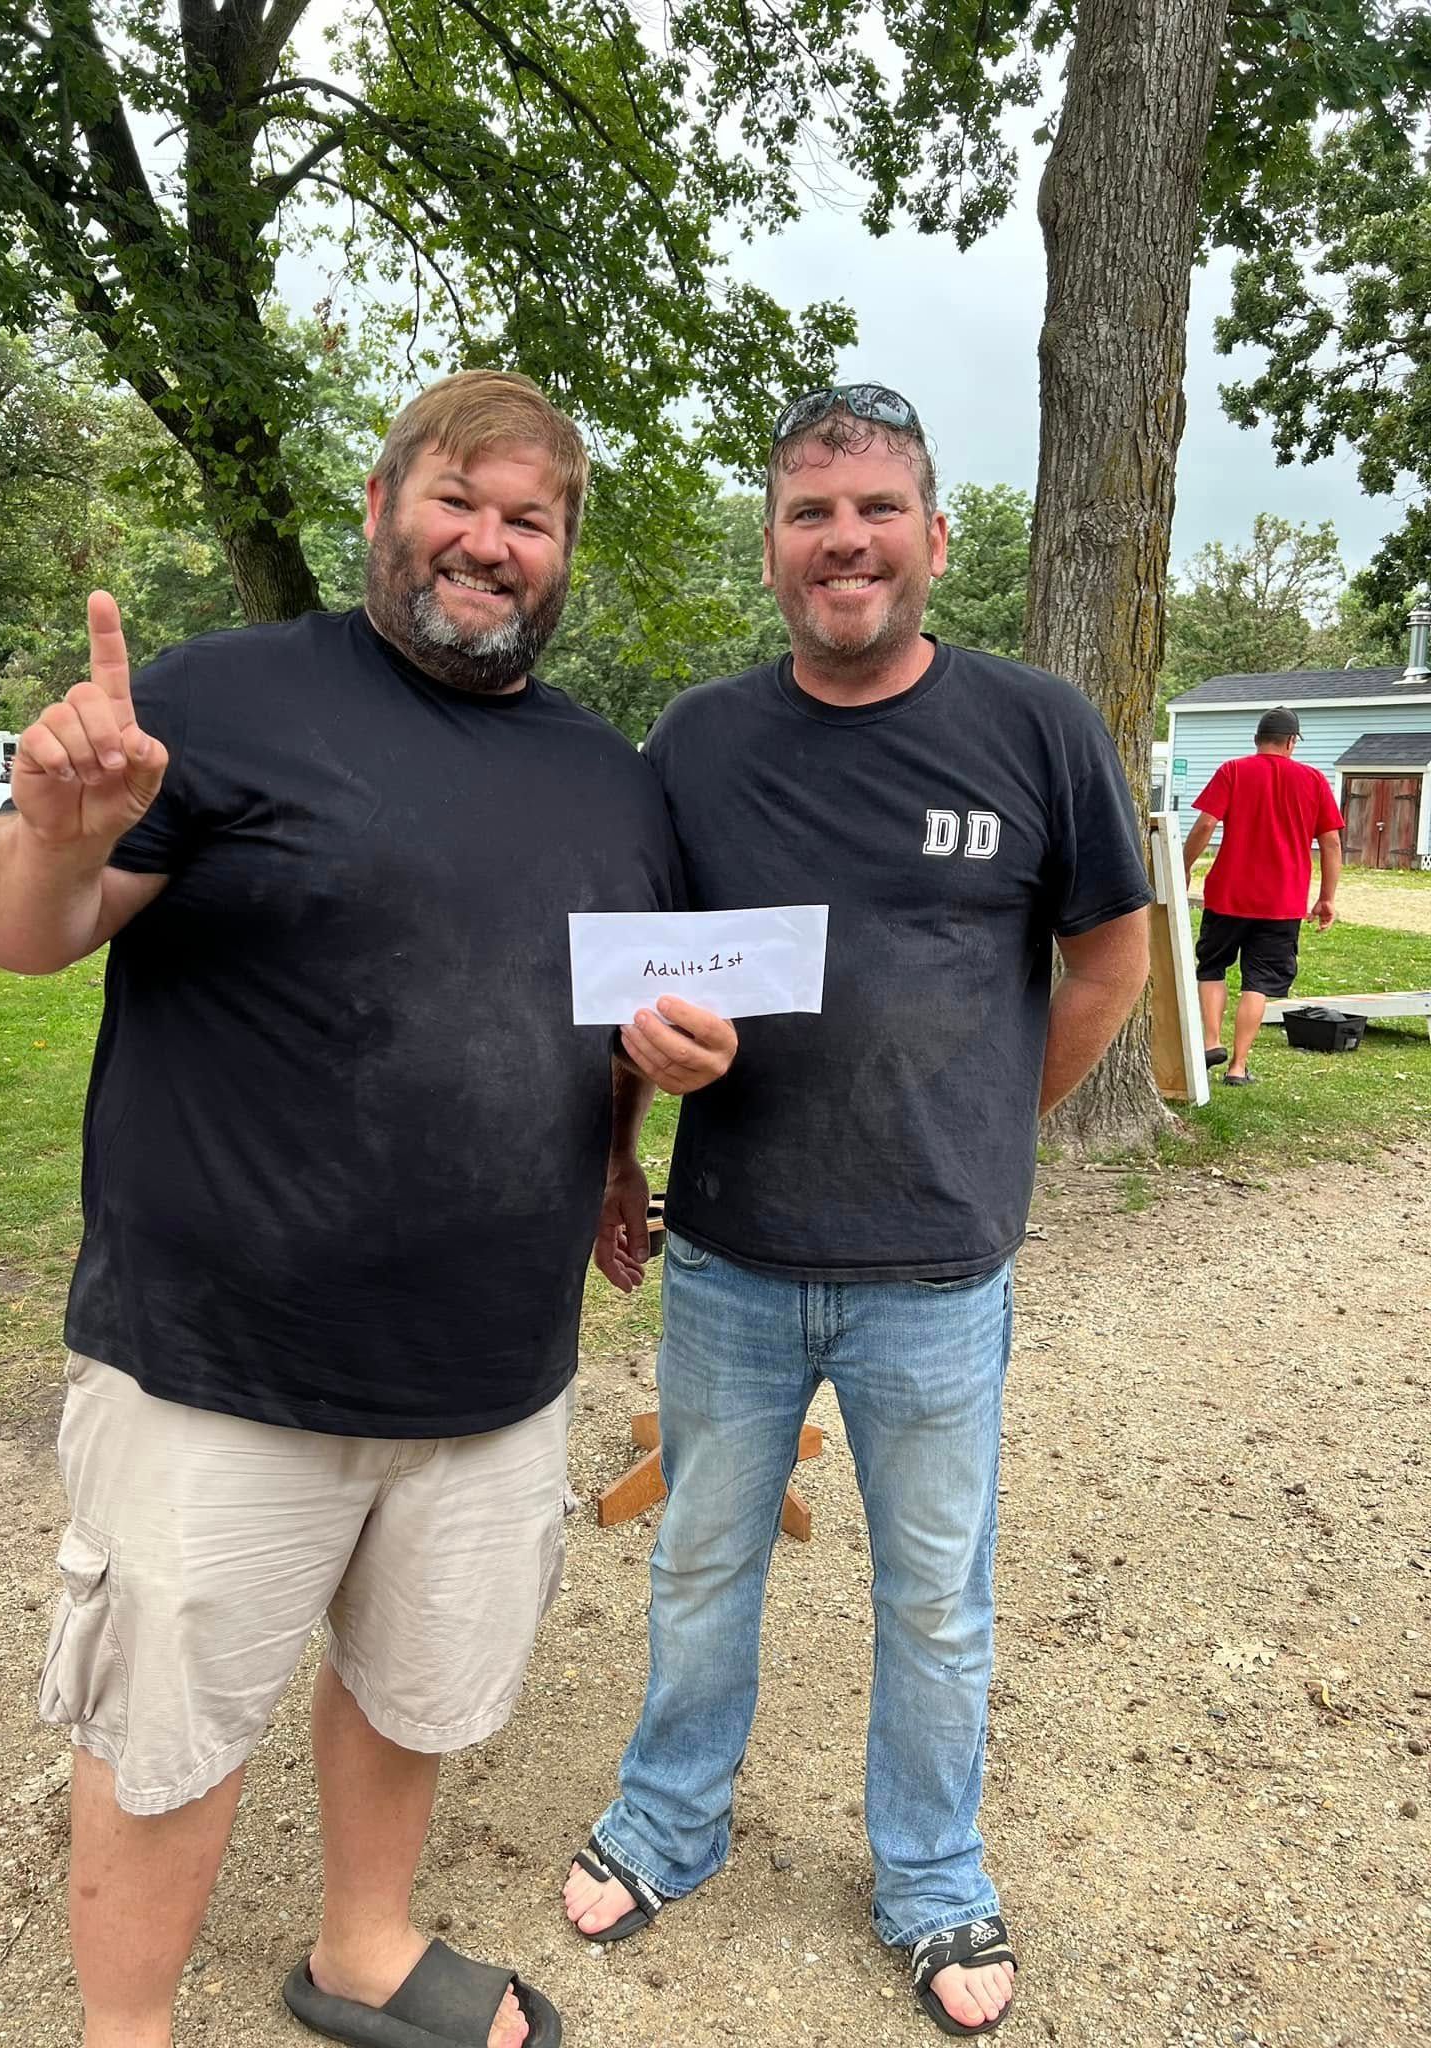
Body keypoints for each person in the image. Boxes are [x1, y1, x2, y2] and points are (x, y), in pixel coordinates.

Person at [0, 369, 738, 2048]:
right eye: (458, 497)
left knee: (413, 1684)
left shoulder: (611, 778)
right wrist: (53, 833)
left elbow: (605, 1017)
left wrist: (629, 1121)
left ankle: (365, 1947)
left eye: (529, 518)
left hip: (487, 1364)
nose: (488, 540)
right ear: (379, 504)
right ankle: (127, 2030)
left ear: (561, 554)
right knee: (165, 1722)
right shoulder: (222, 699)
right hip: (217, 1357)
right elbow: (18, 929)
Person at [561, 382, 1152, 2038]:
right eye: (812, 512)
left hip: (937, 1279)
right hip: (736, 1253)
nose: (846, 539)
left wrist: (996, 1119)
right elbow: (638, 980)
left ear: (934, 535)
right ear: (773, 549)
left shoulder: (1036, 727)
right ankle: (669, 1812)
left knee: (937, 1592)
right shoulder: (699, 740)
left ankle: (932, 1868)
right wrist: (619, 1142)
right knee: (694, 1560)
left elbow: (1110, 954)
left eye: (877, 507)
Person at [1181, 705, 1343, 1086]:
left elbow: (1206, 823)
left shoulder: (1233, 770)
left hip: (1227, 894)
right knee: (1260, 980)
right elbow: (1332, 842)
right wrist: (1326, 897)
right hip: (1282, 902)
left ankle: (1210, 1041)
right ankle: (1238, 1066)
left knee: (1212, 966)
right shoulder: (1314, 780)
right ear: (1291, 742)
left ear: (1256, 741)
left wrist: (1185, 865)